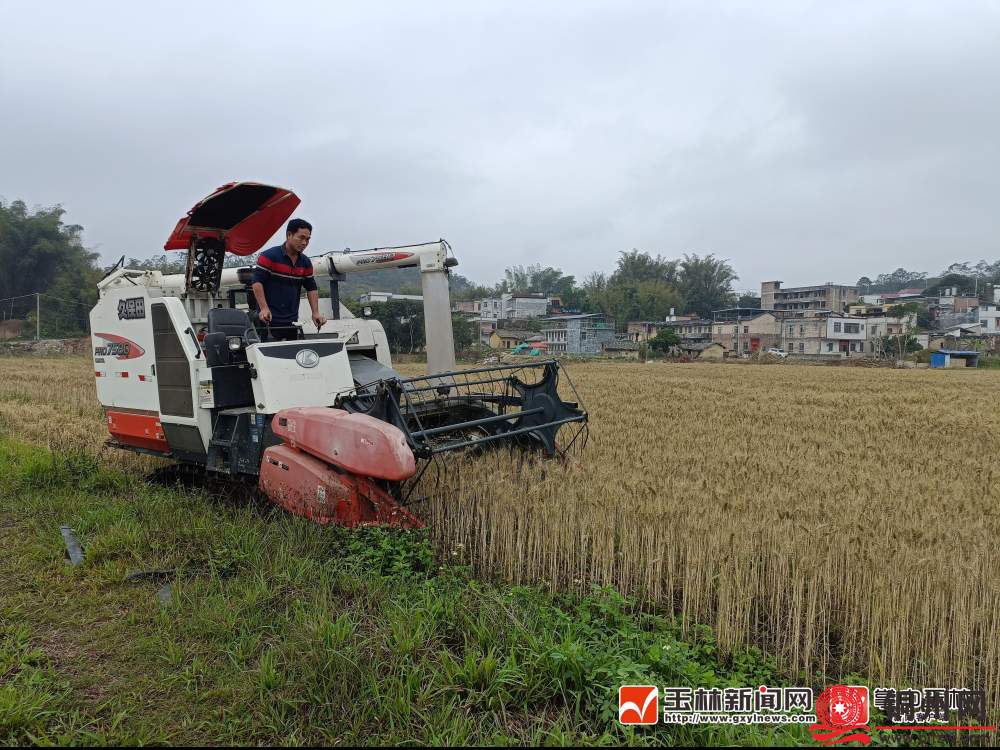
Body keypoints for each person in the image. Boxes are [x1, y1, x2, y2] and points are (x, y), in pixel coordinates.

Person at [250, 218, 327, 341]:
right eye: (301, 238)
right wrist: (264, 308)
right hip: (268, 320)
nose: (304, 243)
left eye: (307, 239)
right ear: (289, 235)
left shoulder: (305, 262)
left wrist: (315, 312)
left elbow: (311, 288)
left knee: (293, 351)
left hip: (292, 321)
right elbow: (257, 282)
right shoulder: (269, 256)